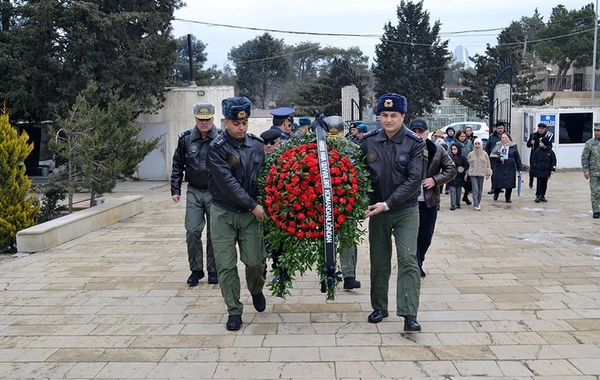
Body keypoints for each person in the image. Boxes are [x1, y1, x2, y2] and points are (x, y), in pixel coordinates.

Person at [361, 93, 425, 332]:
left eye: (394, 115)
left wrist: (387, 203)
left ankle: (409, 313)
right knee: (379, 262)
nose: (388, 120)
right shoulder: (368, 142)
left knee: (408, 260)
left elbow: (414, 180)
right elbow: (358, 176)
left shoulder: (414, 143)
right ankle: (379, 306)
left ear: (403, 116)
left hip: (405, 210)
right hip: (377, 212)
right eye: (384, 115)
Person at [207, 97, 268, 331]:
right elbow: (227, 183)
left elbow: (265, 176)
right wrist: (254, 205)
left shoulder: (256, 145)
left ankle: (256, 288)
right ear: (225, 122)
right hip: (223, 213)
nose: (241, 128)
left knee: (254, 261)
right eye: (235, 123)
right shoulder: (217, 148)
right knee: (226, 265)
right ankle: (234, 310)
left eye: (244, 123)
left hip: (251, 215)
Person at [171, 103, 220, 286]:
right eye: (201, 119)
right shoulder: (186, 139)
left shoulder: (221, 138)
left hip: (215, 192)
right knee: (192, 231)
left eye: (207, 119)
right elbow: (178, 164)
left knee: (214, 233)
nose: (204, 123)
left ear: (213, 119)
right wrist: (175, 189)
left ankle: (214, 270)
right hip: (194, 190)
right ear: (195, 119)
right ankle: (196, 269)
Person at [409, 118, 456, 279]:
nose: (417, 134)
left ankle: (419, 259)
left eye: (420, 131)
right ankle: (415, 265)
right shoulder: (402, 149)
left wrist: (434, 180)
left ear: (426, 133)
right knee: (410, 236)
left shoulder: (437, 150)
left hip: (429, 201)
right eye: (413, 131)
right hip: (408, 202)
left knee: (426, 236)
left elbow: (451, 169)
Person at [490, 132, 522, 203]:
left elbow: (517, 158)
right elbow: (493, 155)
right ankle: (496, 193)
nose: (503, 139)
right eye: (502, 138)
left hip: (510, 168)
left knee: (509, 184)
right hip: (500, 167)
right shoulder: (498, 145)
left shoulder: (513, 146)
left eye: (505, 138)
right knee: (498, 182)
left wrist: (520, 167)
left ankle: (508, 197)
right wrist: (499, 158)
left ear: (508, 138)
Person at [466, 137, 492, 211]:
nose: (477, 145)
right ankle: (476, 204)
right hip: (472, 173)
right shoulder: (470, 154)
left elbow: (488, 164)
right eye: (476, 144)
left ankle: (478, 202)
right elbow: (467, 164)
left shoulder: (485, 154)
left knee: (480, 189)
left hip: (481, 173)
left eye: (478, 144)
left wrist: (488, 173)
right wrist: (466, 173)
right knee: (475, 189)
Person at [581, 123, 600, 218]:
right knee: (595, 192)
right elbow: (584, 158)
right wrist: (586, 170)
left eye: (599, 131)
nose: (597, 132)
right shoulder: (590, 143)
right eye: (595, 130)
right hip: (594, 172)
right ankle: (596, 210)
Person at [527, 122, 554, 189]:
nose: (541, 130)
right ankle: (531, 181)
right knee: (532, 169)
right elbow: (528, 145)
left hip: (544, 155)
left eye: (542, 128)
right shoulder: (533, 135)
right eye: (540, 128)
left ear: (545, 129)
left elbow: (550, 146)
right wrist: (531, 143)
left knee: (542, 171)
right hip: (534, 155)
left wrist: (545, 147)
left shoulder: (547, 136)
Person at [531, 136, 556, 203]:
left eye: (541, 142)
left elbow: (553, 160)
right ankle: (538, 195)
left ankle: (543, 195)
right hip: (539, 170)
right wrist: (535, 166)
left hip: (546, 171)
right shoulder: (537, 151)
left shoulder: (550, 152)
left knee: (544, 184)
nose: (540, 143)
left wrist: (552, 169)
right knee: (539, 183)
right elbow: (533, 159)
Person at [486, 121, 506, 194]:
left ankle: (500, 187)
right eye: (499, 128)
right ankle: (493, 187)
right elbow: (488, 146)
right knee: (494, 172)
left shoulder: (506, 136)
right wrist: (487, 155)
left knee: (502, 173)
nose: (500, 130)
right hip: (494, 157)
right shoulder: (492, 136)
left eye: (501, 128)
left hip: (503, 157)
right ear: (496, 129)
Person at [454, 129, 473, 206]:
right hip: (458, 166)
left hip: (467, 165)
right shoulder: (454, 143)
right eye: (461, 136)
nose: (462, 138)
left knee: (468, 184)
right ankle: (455, 200)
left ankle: (465, 196)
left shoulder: (469, 142)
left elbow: (472, 151)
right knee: (458, 183)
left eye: (464, 136)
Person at [447, 143, 469, 210]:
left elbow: (467, 165)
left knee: (458, 191)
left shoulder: (462, 158)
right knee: (452, 191)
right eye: (452, 149)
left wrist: (463, 169)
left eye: (455, 149)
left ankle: (458, 203)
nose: (453, 151)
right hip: (452, 177)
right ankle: (453, 204)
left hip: (459, 176)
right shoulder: (449, 157)